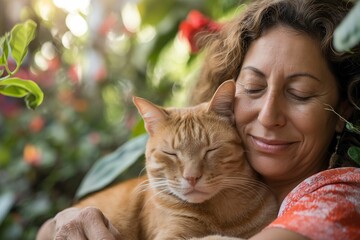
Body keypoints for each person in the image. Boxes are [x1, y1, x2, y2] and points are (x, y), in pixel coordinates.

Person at [37, 0, 360, 239]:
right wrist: (57, 224)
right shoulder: (217, 178)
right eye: (253, 87)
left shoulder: (340, 194)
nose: (268, 115)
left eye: (301, 93)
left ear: (342, 110)